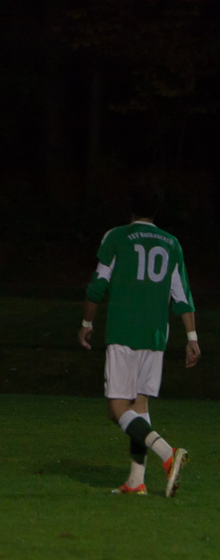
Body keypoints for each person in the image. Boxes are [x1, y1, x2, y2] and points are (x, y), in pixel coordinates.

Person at [79, 182, 198, 498]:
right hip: (156, 335)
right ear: (156, 209)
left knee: (117, 408)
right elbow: (182, 294)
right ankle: (136, 481)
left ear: (130, 207)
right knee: (138, 406)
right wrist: (192, 337)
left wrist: (86, 322)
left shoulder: (117, 237)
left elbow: (98, 285)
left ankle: (168, 454)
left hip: (124, 331)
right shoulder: (172, 243)